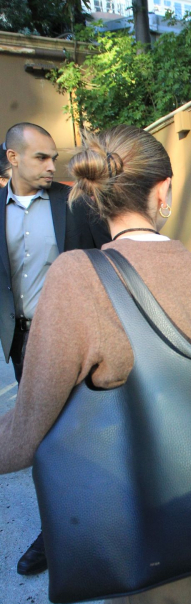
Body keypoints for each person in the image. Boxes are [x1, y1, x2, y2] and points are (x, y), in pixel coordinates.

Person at [0, 124, 191, 604]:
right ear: (163, 191)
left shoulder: (75, 278)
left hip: (135, 510)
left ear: (94, 196)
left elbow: (29, 427)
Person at [1, 122, 110, 577]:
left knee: (89, 432)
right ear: (12, 159)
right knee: (45, 440)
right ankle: (56, 531)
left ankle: (105, 524)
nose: (52, 165)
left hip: (75, 335)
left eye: (53, 157)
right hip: (26, 342)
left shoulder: (76, 202)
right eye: (41, 158)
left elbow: (106, 260)